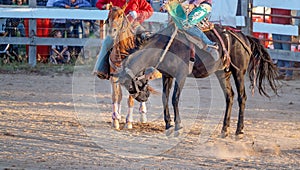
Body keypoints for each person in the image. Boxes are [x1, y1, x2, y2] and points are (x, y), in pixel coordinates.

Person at [93, 0, 153, 76]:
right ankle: (101, 68)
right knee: (107, 41)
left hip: (134, 26)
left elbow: (149, 11)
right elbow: (99, 3)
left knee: (146, 38)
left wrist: (137, 14)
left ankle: (149, 67)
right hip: (118, 28)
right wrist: (104, 6)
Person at [271, 8, 294, 81]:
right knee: (278, 49)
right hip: (276, 26)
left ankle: (288, 72)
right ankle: (281, 71)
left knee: (285, 50)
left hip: (284, 26)